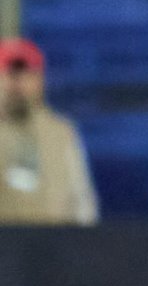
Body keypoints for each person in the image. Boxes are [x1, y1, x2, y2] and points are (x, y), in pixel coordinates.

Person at [0, 38, 97, 226]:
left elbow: (83, 201)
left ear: (40, 79)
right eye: (10, 75)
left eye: (26, 75)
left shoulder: (61, 132)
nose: (17, 84)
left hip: (52, 246)